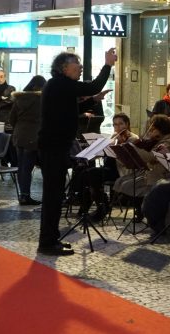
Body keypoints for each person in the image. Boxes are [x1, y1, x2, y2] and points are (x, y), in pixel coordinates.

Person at [37, 49, 116, 256]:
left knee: (55, 196)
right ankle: (47, 243)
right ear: (64, 68)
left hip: (56, 147)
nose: (80, 68)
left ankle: (51, 239)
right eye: (77, 65)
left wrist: (94, 100)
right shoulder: (60, 83)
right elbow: (93, 86)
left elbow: (71, 108)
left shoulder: (59, 86)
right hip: (53, 148)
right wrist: (107, 64)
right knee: (53, 197)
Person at [8, 75, 46, 206]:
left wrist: (20, 127)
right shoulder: (41, 100)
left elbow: (11, 119)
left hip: (19, 136)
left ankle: (23, 195)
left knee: (22, 167)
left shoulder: (19, 99)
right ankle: (26, 197)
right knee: (28, 167)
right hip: (34, 137)